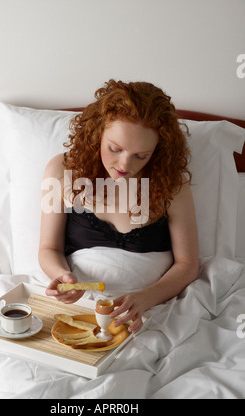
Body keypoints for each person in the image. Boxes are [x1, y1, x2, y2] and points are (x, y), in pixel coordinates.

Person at [38, 79, 199, 334]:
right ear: (97, 133)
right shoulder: (62, 170)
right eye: (114, 148)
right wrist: (64, 278)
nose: (125, 164)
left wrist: (145, 298)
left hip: (152, 308)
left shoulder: (171, 182)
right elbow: (49, 248)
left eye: (141, 156)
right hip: (82, 308)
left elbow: (188, 263)